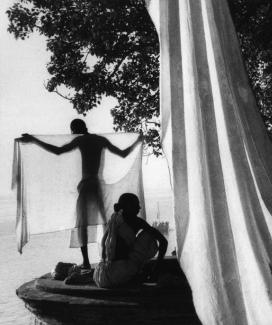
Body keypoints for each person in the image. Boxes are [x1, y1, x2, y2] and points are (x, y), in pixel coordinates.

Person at [20, 119, 142, 269]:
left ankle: (86, 262)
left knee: (82, 224)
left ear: (75, 130)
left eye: (72, 130)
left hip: (87, 186)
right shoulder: (100, 140)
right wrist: (137, 141)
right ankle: (107, 257)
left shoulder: (81, 140)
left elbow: (58, 150)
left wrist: (34, 140)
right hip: (98, 185)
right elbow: (123, 154)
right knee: (105, 223)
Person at [93, 193, 168, 288]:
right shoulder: (137, 221)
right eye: (136, 205)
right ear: (128, 207)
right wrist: (156, 269)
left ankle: (132, 275)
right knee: (149, 235)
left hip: (101, 276)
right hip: (119, 274)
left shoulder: (114, 218)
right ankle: (133, 277)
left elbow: (103, 243)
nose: (139, 208)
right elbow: (163, 241)